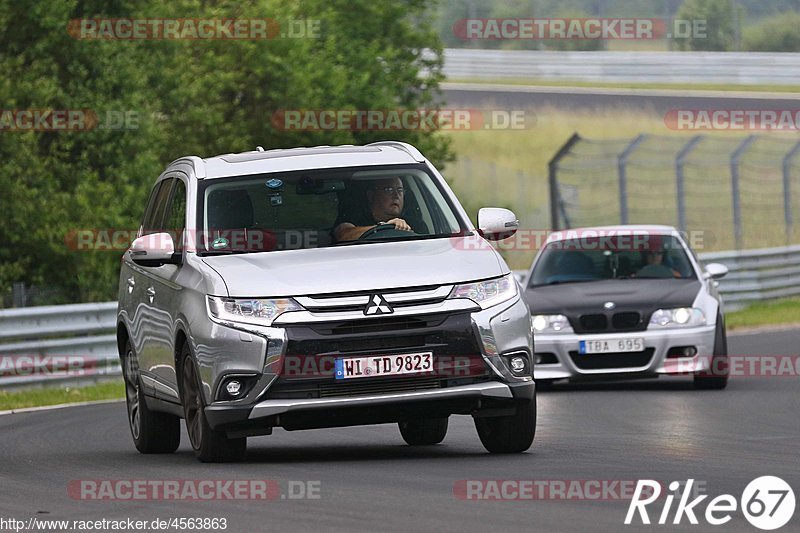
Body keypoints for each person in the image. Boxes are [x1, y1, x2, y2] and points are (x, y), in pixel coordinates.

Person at [334, 176, 414, 241]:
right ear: (371, 195)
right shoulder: (356, 216)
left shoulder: (412, 219)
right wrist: (384, 226)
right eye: (389, 190)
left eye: (400, 190)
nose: (396, 195)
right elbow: (343, 235)